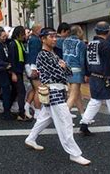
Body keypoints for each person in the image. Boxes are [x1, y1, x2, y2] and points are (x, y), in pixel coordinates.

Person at [25, 27, 91, 166]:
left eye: (55, 36)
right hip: (53, 91)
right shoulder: (42, 55)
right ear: (43, 39)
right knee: (65, 122)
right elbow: (59, 73)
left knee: (44, 118)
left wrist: (63, 67)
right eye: (51, 37)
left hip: (57, 90)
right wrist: (62, 67)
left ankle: (31, 138)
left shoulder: (53, 54)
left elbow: (67, 72)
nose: (55, 39)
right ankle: (75, 154)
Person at [63, 25, 87, 118]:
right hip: (76, 70)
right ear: (78, 32)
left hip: (66, 69)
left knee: (77, 94)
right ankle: (63, 117)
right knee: (73, 95)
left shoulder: (65, 41)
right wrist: (84, 73)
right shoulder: (80, 43)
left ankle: (83, 115)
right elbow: (82, 60)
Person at [9, 26, 29, 121]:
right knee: (21, 91)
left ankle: (8, 108)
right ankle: (21, 113)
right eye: (22, 34)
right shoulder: (13, 44)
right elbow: (12, 59)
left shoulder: (20, 43)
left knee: (15, 91)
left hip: (19, 70)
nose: (24, 36)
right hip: (16, 71)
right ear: (18, 34)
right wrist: (13, 73)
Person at [0, 27, 13, 120]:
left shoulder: (3, 44)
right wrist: (6, 65)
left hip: (3, 70)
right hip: (0, 71)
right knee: (5, 90)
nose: (5, 38)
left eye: (5, 36)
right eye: (3, 36)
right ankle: (6, 112)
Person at [25, 23, 42, 119]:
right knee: (39, 89)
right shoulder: (35, 40)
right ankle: (37, 111)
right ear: (37, 30)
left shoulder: (30, 39)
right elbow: (34, 54)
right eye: (40, 29)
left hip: (29, 65)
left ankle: (26, 106)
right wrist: (34, 69)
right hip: (33, 66)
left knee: (34, 89)